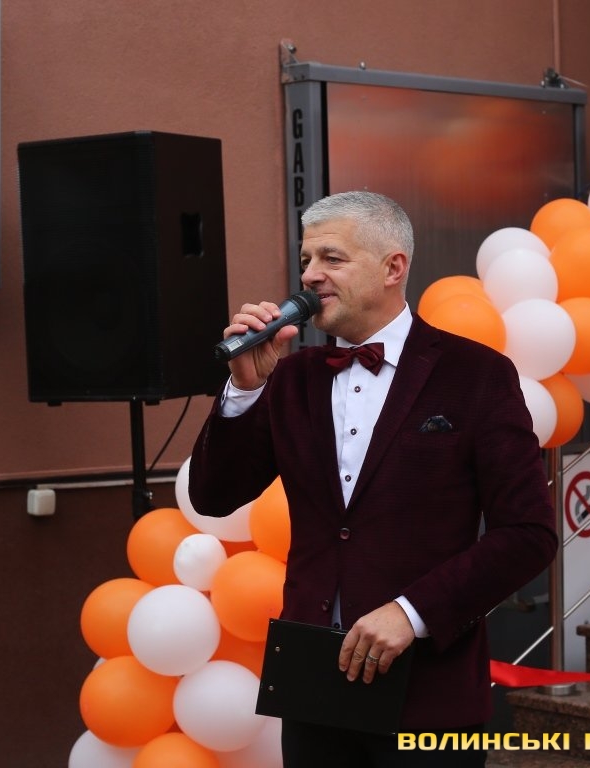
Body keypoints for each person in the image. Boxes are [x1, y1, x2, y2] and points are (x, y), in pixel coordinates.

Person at [188, 191, 558, 767]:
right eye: (306, 260)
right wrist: (244, 389)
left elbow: (528, 533)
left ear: (393, 267)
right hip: (313, 693)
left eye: (331, 258)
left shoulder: (476, 374)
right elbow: (214, 497)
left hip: (427, 691)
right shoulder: (291, 377)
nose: (310, 276)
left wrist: (411, 612)